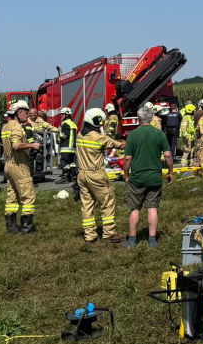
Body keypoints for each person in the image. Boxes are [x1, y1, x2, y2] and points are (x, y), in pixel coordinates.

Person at [75, 107, 126, 246]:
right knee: (107, 202)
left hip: (82, 174)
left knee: (87, 205)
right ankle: (109, 234)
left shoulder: (80, 135)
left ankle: (89, 236)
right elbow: (119, 145)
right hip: (96, 174)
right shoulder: (99, 137)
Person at [123, 105, 172, 248]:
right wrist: (170, 172)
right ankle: (152, 240)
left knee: (135, 209)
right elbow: (168, 156)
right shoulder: (159, 134)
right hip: (154, 177)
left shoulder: (133, 135)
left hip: (137, 178)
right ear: (151, 118)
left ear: (139, 119)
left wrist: (126, 175)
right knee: (152, 208)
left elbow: (127, 159)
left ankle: (132, 240)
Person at [0, 101, 41, 234]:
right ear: (18, 112)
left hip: (8, 165)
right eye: (25, 112)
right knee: (27, 196)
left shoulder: (5, 126)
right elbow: (16, 145)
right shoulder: (17, 127)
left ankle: (11, 228)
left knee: (11, 197)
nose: (28, 114)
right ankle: (27, 228)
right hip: (19, 165)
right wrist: (33, 145)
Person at [57, 107, 78, 171]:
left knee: (64, 163)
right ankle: (72, 176)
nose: (61, 116)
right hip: (73, 149)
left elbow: (64, 136)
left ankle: (65, 177)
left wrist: (59, 131)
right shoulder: (73, 123)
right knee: (72, 163)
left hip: (65, 148)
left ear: (67, 115)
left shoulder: (65, 123)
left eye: (62, 114)